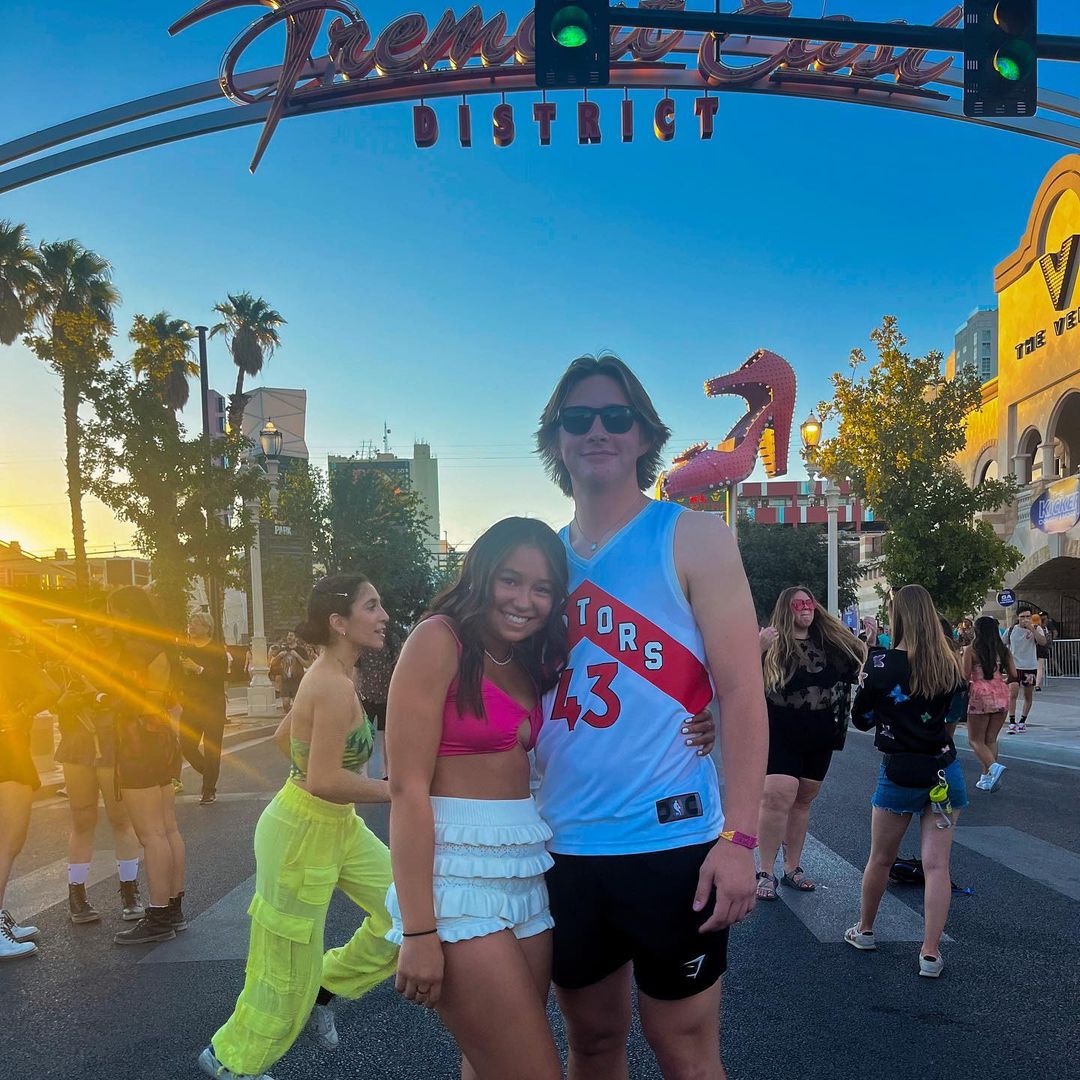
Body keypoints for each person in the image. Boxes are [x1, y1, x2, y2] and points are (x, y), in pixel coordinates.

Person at [532, 353, 768, 1080]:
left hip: (674, 847)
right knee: (592, 1043)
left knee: (686, 1052)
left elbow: (743, 693)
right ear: (556, 438)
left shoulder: (695, 537)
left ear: (643, 434)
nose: (597, 431)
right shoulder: (537, 563)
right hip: (564, 848)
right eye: (578, 418)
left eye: (616, 416)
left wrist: (740, 838)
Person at [198, 574, 399, 1080]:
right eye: (372, 607)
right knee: (285, 968)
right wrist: (399, 790)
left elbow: (284, 738)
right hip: (301, 834)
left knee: (408, 910)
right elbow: (325, 780)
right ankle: (232, 1062)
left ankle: (325, 986)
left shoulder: (333, 675)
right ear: (338, 622)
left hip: (337, 826)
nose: (384, 617)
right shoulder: (331, 684)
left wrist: (314, 773)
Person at [387, 518, 567, 1080]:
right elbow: (406, 789)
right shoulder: (439, 639)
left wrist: (694, 721)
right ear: (481, 574)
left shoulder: (528, 657)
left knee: (489, 1063)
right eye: (510, 580)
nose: (524, 601)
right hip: (456, 878)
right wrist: (419, 931)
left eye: (542, 589)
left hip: (524, 870)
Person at [847, 584, 967, 979]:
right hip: (943, 771)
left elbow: (861, 718)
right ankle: (930, 953)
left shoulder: (881, 663)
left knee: (881, 858)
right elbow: (953, 718)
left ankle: (865, 930)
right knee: (937, 865)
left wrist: (875, 696)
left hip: (899, 771)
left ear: (897, 617)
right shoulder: (949, 664)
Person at [755, 587, 865, 900]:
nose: (805, 608)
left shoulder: (829, 644)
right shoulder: (772, 642)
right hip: (780, 731)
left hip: (820, 732)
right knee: (777, 796)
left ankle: (792, 867)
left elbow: (858, 664)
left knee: (803, 799)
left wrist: (864, 639)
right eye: (798, 604)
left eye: (809, 603)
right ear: (786, 608)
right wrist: (757, 648)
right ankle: (765, 870)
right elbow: (742, 680)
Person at [106, 586, 188, 945]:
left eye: (113, 612)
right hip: (163, 743)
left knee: (150, 835)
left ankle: (157, 917)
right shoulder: (162, 646)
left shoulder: (132, 649)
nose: (111, 619)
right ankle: (173, 908)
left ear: (126, 613)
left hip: (137, 743)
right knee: (168, 829)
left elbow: (136, 700)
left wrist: (105, 698)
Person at [51, 613, 144, 924]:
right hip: (77, 744)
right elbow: (55, 704)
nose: (98, 632)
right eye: (92, 627)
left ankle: (130, 891)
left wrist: (100, 696)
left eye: (103, 625)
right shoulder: (73, 661)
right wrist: (65, 700)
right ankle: (76, 896)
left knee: (120, 819)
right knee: (82, 819)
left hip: (112, 744)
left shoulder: (126, 658)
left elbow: (132, 700)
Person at [0, 637, 60, 960]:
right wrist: (23, 711)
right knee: (9, 841)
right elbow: (51, 689)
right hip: (7, 750)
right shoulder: (13, 658)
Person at [178, 612, 229, 805]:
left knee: (211, 748)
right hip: (192, 704)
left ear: (207, 628)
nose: (191, 626)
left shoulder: (217, 649)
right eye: (190, 623)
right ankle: (209, 773)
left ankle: (209, 790)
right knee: (186, 745)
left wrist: (198, 669)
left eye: (196, 624)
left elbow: (220, 676)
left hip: (213, 704)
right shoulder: (186, 649)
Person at [964, 616, 1016, 793]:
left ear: (977, 631)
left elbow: (965, 676)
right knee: (991, 739)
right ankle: (986, 778)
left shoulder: (971, 649)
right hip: (1001, 692)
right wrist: (1002, 681)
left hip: (980, 693)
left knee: (975, 740)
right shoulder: (1003, 650)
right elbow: (1014, 674)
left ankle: (994, 768)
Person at [355, 630, 398, 780]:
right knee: (366, 734)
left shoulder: (391, 640)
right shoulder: (364, 643)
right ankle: (365, 772)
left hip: (385, 695)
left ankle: (386, 771)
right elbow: (356, 669)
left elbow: (396, 666)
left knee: (386, 735)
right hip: (368, 694)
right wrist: (355, 693)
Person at [1005, 609, 1046, 733]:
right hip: (1014, 666)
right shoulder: (1011, 630)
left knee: (1028, 695)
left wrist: (1032, 629)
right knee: (1012, 693)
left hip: (1029, 667)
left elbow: (1043, 642)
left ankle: (1022, 721)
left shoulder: (1036, 628)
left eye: (1028, 616)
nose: (1025, 619)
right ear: (1018, 617)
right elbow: (1002, 643)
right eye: (1022, 616)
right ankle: (1012, 722)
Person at [269, 631, 312, 712]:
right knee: (285, 704)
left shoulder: (301, 650)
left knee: (297, 705)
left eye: (291, 636)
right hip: (285, 681)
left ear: (296, 638)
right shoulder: (283, 649)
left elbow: (307, 665)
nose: (288, 637)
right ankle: (290, 716)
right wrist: (279, 656)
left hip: (297, 680)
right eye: (288, 635)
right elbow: (272, 663)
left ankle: (295, 717)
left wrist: (297, 656)